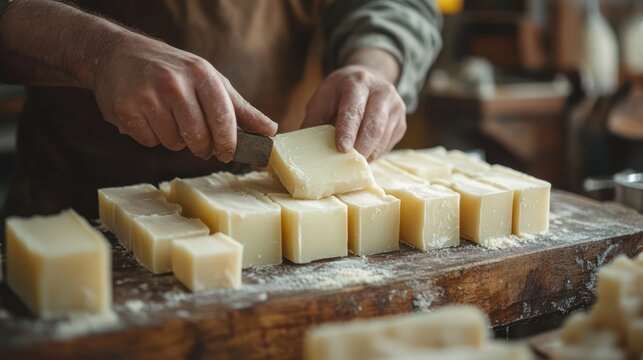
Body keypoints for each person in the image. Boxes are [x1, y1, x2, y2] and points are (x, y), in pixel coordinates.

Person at [0, 0, 442, 219]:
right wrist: (97, 51)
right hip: (79, 209)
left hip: (274, 207)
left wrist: (375, 62)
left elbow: (400, 6)